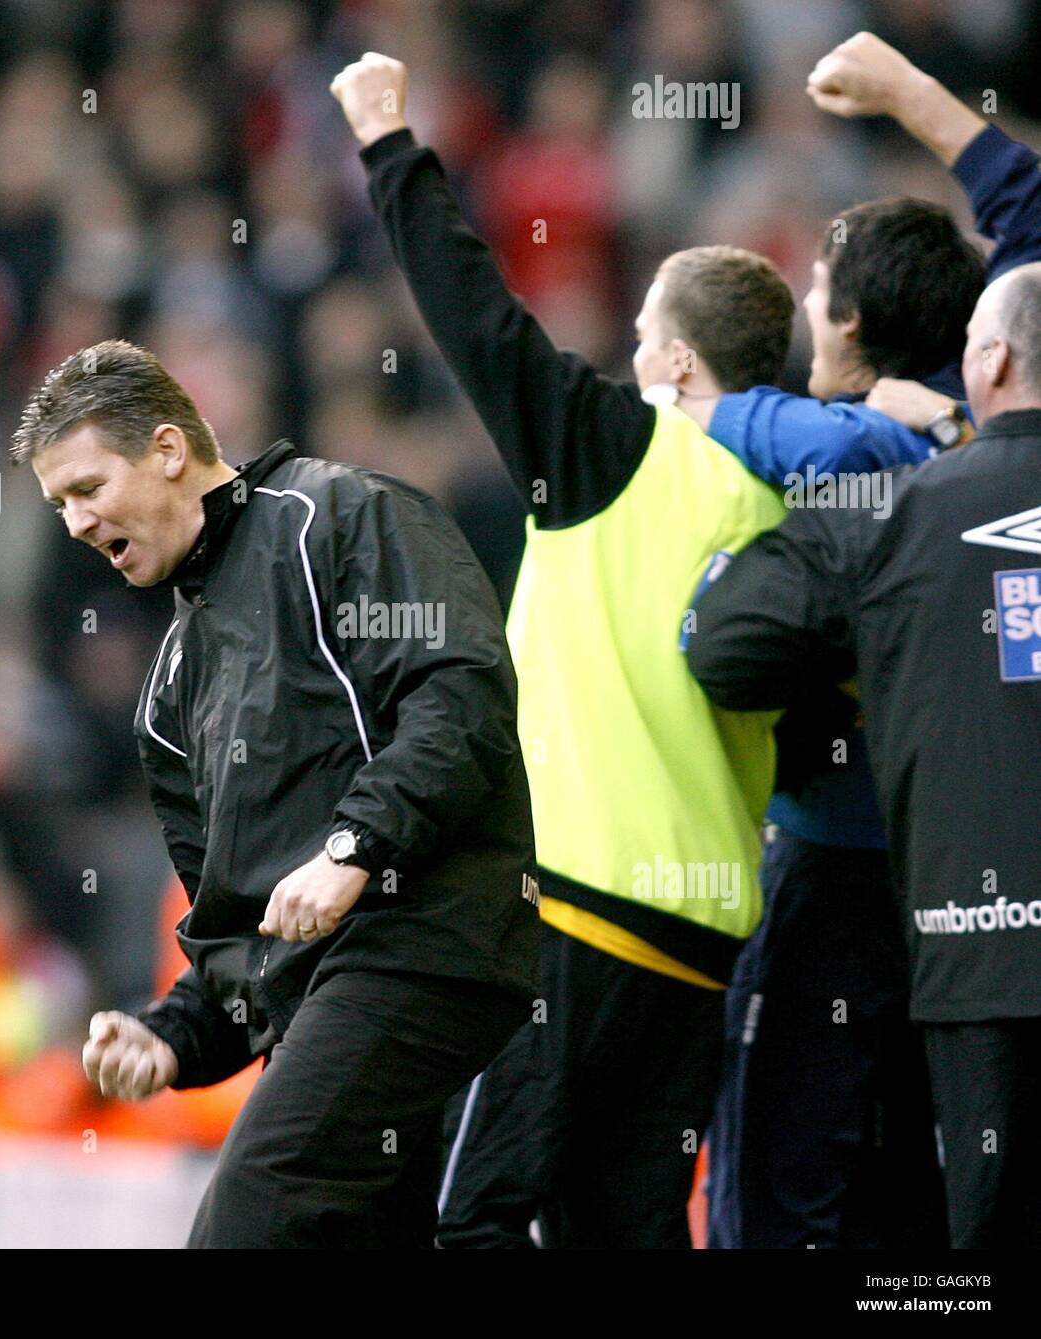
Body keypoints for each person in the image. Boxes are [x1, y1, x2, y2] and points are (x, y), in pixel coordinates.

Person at [331, 52, 794, 1247]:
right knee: (627, 1226)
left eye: (644, 338)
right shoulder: (785, 499)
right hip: (702, 940)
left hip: (578, 912)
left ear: (681, 363)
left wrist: (389, 143)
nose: (628, 359)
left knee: (478, 1217)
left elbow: (472, 309)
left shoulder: (613, 447)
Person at [11, 338, 539, 1248]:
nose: (74, 523)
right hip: (328, 1001)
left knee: (249, 1220)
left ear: (169, 451)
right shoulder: (168, 693)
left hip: (425, 945)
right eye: (59, 504)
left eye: (88, 489)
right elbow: (234, 927)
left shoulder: (339, 515)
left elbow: (463, 695)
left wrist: (354, 849)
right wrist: (175, 1035)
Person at [674, 31, 1041, 1248]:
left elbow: (727, 638)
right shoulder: (966, 426)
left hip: (836, 856)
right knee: (928, 1198)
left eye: (817, 290)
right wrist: (912, 97)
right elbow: (1029, 228)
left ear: (855, 316)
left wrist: (717, 403)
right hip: (976, 874)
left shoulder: (839, 459)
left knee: (783, 1186)